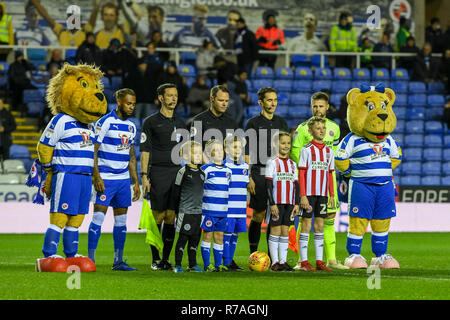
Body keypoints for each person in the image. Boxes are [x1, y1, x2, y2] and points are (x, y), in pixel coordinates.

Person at [291, 91, 348, 270]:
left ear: (327, 107)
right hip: (308, 182)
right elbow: (294, 152)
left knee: (328, 217)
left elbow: (335, 153)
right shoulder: (303, 128)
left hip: (327, 181)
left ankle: (331, 260)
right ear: (311, 106)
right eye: (315, 106)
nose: (318, 109)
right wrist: (312, 164)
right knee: (305, 220)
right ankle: (301, 260)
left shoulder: (334, 128)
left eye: (321, 106)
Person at [87, 88, 140, 271]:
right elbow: (93, 149)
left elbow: (131, 156)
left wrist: (136, 182)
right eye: (128, 103)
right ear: (119, 102)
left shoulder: (132, 126)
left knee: (121, 222)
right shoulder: (106, 122)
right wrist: (97, 176)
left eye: (133, 104)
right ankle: (90, 261)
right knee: (98, 218)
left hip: (123, 181)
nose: (131, 107)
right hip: (106, 179)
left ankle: (118, 261)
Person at [140, 83, 186, 271]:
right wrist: (144, 176)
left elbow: (186, 151)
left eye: (175, 95)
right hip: (157, 173)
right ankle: (155, 258)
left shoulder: (181, 123)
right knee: (157, 216)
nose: (174, 99)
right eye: (169, 96)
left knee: (171, 216)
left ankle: (166, 259)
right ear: (161, 98)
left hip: (176, 172)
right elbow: (144, 151)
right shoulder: (150, 122)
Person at [244, 87, 288, 254]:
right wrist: (248, 176)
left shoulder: (281, 122)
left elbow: (286, 148)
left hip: (278, 173)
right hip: (260, 172)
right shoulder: (253, 123)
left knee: (276, 216)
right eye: (269, 100)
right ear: (260, 102)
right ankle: (253, 254)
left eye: (275, 100)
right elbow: (247, 151)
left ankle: (272, 256)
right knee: (259, 214)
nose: (273, 103)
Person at [297, 117, 335, 271]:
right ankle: (304, 262)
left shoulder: (329, 151)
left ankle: (319, 261)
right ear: (310, 131)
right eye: (318, 128)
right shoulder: (306, 150)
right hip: (309, 194)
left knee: (320, 225)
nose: (321, 130)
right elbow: (302, 174)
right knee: (306, 224)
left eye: (323, 128)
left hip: (322, 195)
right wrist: (303, 195)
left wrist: (332, 195)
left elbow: (330, 174)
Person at [264, 131, 299, 271]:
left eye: (288, 143)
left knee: (285, 231)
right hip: (276, 203)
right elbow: (268, 184)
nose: (286, 146)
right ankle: (275, 262)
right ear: (275, 144)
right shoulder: (272, 162)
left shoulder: (292, 164)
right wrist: (272, 203)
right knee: (275, 230)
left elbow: (296, 185)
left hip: (290, 203)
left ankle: (283, 262)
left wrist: (296, 204)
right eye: (283, 143)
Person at [171, 141, 205, 273]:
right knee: (183, 238)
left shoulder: (202, 173)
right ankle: (177, 265)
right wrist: (175, 211)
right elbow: (175, 192)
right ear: (185, 155)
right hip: (185, 211)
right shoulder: (183, 171)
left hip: (198, 211)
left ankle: (192, 264)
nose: (198, 155)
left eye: (199, 153)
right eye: (194, 152)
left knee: (195, 238)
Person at [200, 139, 232, 271]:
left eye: (221, 150)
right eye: (216, 150)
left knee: (219, 236)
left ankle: (218, 265)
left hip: (222, 211)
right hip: (209, 210)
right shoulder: (205, 170)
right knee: (207, 235)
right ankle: (207, 265)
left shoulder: (228, 171)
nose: (219, 152)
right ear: (209, 153)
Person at [222, 136, 249, 271]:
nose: (238, 150)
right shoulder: (224, 166)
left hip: (240, 208)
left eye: (240, 147)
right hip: (229, 208)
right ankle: (226, 262)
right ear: (226, 150)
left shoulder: (245, 166)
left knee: (235, 235)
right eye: (234, 147)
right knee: (227, 234)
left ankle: (230, 261)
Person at [30, 0, 99, 47]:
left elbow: (92, 21)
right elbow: (46, 16)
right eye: (70, 16)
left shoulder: (85, 31)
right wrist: (35, 3)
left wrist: (96, 7)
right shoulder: (61, 32)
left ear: (80, 19)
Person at [189, 85, 238, 151]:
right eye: (221, 100)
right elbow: (194, 149)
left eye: (226, 101)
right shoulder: (198, 120)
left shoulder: (232, 122)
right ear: (212, 99)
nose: (224, 104)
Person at [8, 51, 36, 115]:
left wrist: (26, 62)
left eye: (22, 56)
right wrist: (20, 82)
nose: (21, 57)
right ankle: (16, 107)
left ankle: (30, 106)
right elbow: (12, 77)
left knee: (35, 89)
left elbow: (33, 68)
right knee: (18, 90)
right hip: (16, 84)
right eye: (20, 56)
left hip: (25, 83)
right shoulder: (13, 65)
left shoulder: (24, 64)